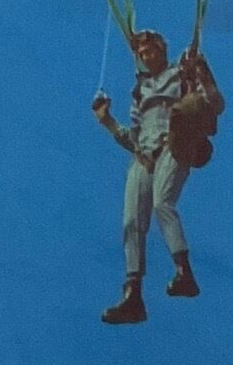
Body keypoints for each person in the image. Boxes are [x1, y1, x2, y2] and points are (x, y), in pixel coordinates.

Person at [91, 29, 223, 324]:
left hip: (172, 145)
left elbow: (214, 104)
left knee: (163, 202)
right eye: (141, 54)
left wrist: (201, 73)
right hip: (143, 156)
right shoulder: (140, 91)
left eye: (150, 50)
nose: (146, 57)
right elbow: (133, 138)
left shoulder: (180, 74)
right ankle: (133, 295)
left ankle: (184, 272)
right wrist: (108, 121)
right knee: (131, 222)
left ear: (162, 50)